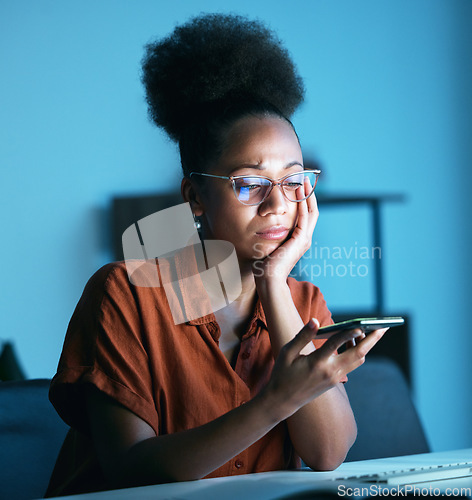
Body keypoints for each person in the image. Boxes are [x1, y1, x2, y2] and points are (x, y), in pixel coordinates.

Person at [45, 13, 387, 497]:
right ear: (195, 197)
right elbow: (130, 472)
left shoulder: (304, 302)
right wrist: (274, 402)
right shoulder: (125, 295)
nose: (277, 204)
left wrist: (272, 284)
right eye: (249, 184)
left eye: (293, 181)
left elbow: (328, 453)